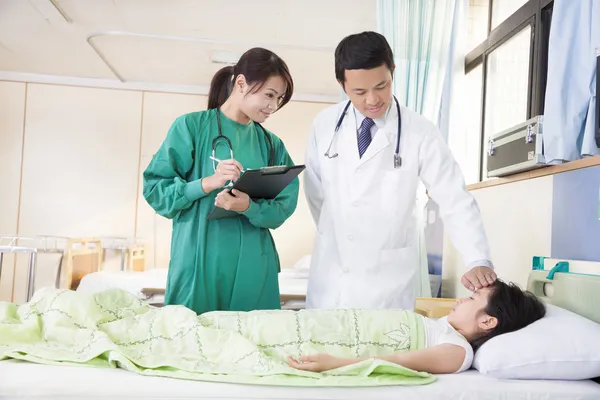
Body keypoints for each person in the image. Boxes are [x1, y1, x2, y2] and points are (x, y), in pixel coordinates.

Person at [303, 31, 496, 310]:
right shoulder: (324, 125)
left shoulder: (421, 132)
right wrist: (338, 229)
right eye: (359, 91)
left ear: (393, 71)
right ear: (342, 85)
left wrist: (478, 259)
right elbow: (315, 194)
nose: (372, 99)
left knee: (383, 350)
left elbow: (454, 198)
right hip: (333, 273)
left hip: (385, 284)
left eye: (381, 86)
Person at [143, 47, 299, 315]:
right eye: (269, 95)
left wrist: (249, 207)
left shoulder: (272, 145)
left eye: (279, 98)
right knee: (191, 344)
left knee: (255, 347)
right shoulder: (191, 127)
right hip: (199, 261)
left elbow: (283, 207)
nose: (273, 106)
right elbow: (156, 190)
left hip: (254, 266)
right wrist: (206, 183)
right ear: (241, 83)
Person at [287, 279, 546, 374]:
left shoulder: (458, 352)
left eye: (471, 298)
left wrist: (335, 363)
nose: (459, 299)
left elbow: (397, 360)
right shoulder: (446, 326)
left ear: (487, 321)